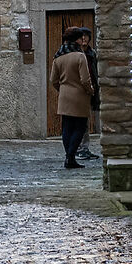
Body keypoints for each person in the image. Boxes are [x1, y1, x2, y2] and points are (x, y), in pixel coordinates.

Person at [51, 28, 99, 167]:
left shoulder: (58, 56)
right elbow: (85, 79)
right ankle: (70, 157)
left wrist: (62, 89)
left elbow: (53, 80)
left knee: (67, 128)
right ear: (76, 40)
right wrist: (91, 91)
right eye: (80, 38)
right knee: (80, 127)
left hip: (64, 96)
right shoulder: (79, 56)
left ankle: (69, 156)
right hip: (79, 96)